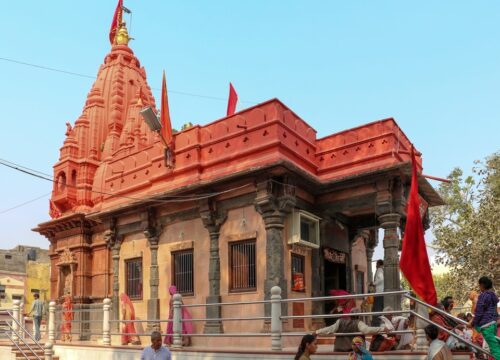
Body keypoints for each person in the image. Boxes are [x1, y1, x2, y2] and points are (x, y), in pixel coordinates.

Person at [314, 308, 387, 352]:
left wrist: (317, 332)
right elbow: (367, 330)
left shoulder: (340, 321)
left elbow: (329, 329)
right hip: (353, 351)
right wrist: (382, 329)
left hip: (338, 349)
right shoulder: (359, 323)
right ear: (359, 316)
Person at [468, 276, 500, 359]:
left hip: (487, 325)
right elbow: (495, 310)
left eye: (479, 285)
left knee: (495, 349)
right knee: (494, 345)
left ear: (482, 285)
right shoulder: (493, 295)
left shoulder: (483, 296)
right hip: (493, 324)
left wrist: (472, 322)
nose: (479, 288)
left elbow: (479, 312)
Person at [372, 260, 384, 326]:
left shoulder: (379, 269)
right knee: (380, 309)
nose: (376, 265)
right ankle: (379, 324)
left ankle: (376, 325)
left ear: (379, 264)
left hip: (379, 292)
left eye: (376, 264)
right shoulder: (383, 270)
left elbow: (381, 279)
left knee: (377, 310)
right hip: (381, 292)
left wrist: (373, 283)